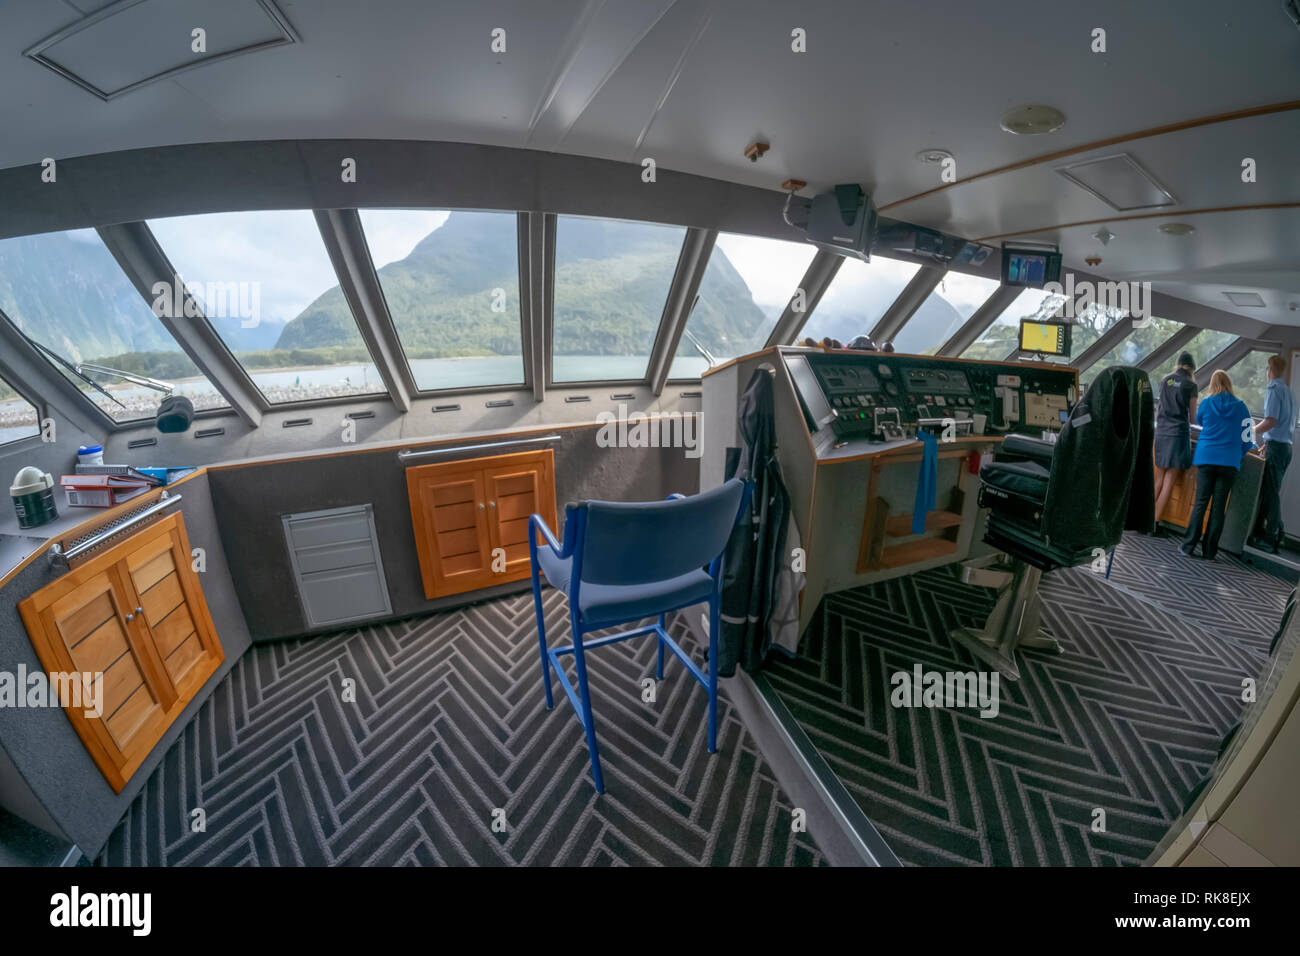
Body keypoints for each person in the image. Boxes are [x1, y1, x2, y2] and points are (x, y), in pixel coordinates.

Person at [1181, 370, 1256, 560]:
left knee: (1200, 503)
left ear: (1213, 384)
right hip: (1229, 463)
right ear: (1229, 384)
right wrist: (1235, 455)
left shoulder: (1206, 403)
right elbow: (1248, 439)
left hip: (1206, 458)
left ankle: (1188, 547)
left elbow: (1199, 421)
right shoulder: (1242, 407)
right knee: (1218, 507)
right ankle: (1209, 552)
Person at [1249, 354, 1296, 552]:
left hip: (1277, 447)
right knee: (1271, 491)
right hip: (1285, 448)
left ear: (1270, 369)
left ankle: (1272, 537)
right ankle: (1274, 533)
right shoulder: (1289, 392)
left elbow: (1271, 421)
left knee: (1271, 493)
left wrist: (1250, 431)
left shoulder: (1274, 390)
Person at [1153, 352, 1198, 526]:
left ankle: (1146, 520)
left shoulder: (1166, 380)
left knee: (1159, 477)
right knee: (1169, 480)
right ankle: (1155, 522)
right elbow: (1193, 418)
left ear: (1178, 364)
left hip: (1162, 431)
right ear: (1192, 367)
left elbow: (1160, 407)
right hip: (1178, 434)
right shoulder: (1190, 385)